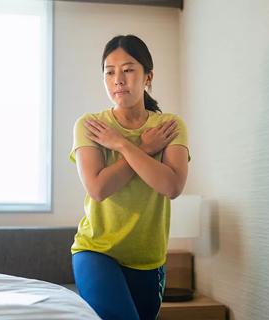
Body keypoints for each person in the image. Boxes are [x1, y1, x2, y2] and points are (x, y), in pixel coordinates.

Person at [69, 34, 190, 320]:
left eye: (128, 69)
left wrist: (124, 144)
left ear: (148, 77)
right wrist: (146, 149)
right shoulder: (90, 126)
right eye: (109, 72)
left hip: (149, 259)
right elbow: (98, 188)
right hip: (96, 249)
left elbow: (171, 185)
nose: (118, 79)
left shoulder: (169, 126)